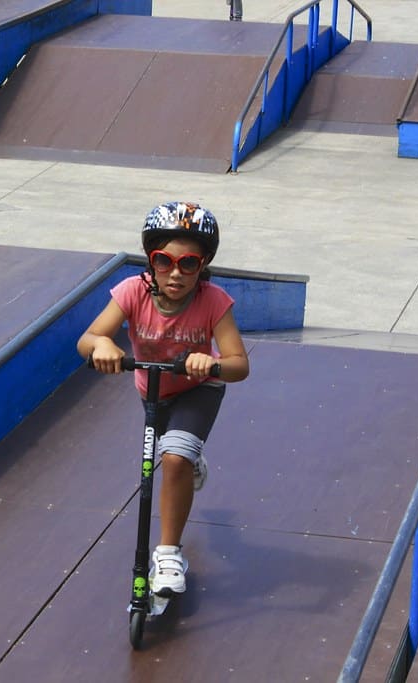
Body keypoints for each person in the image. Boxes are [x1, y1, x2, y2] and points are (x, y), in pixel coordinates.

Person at [77, 201, 249, 595]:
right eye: (164, 261)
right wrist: (102, 346)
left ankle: (169, 554)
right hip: (153, 389)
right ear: (151, 261)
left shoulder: (214, 301)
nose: (175, 273)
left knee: (172, 460)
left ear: (203, 264)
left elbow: (240, 364)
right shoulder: (132, 292)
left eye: (189, 263)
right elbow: (87, 338)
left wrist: (214, 364)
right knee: (176, 457)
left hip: (197, 390)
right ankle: (189, 461)